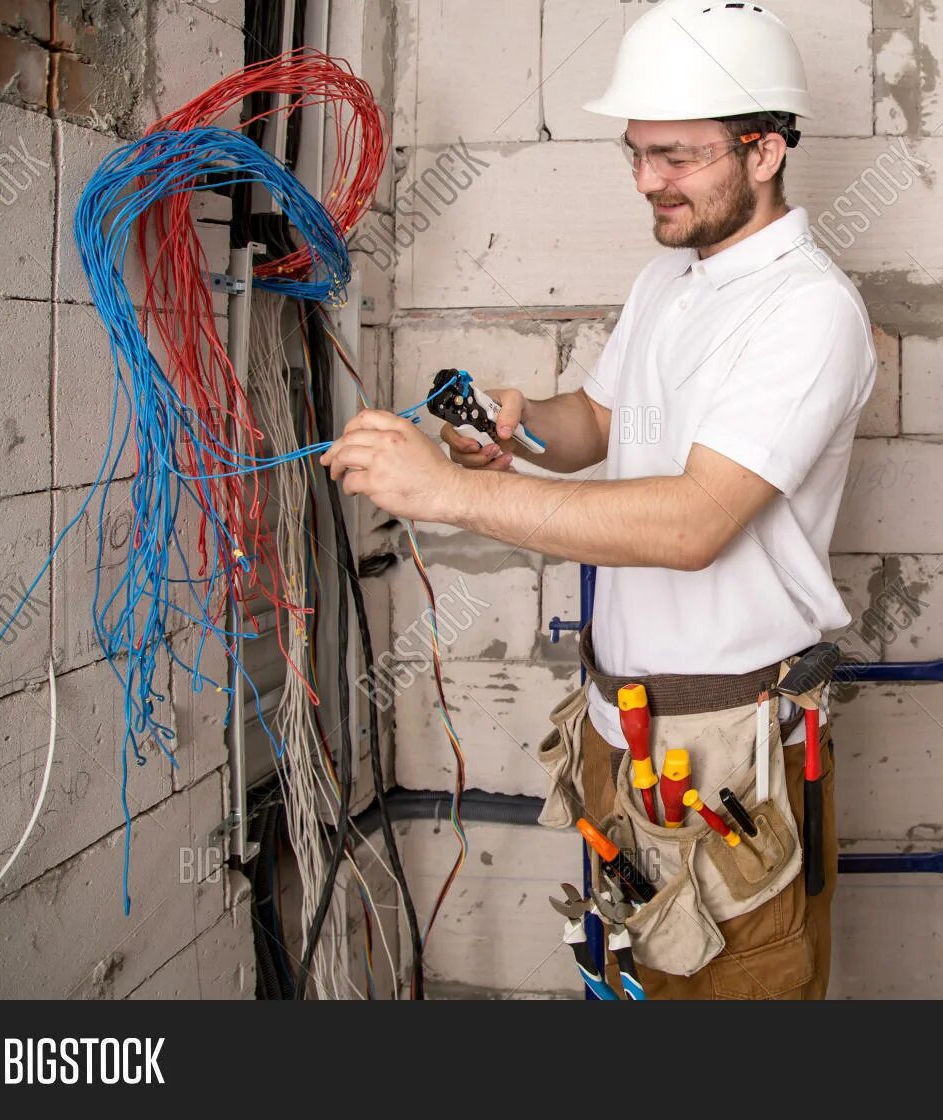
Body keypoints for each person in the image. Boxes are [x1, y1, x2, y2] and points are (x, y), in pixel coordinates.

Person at [319, 0, 876, 999]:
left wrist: (446, 492)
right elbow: (601, 425)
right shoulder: (671, 279)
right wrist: (520, 424)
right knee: (647, 987)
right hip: (624, 731)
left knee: (734, 998)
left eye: (677, 157)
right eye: (636, 154)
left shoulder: (810, 313)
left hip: (729, 757)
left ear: (765, 150)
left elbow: (693, 521)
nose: (648, 181)